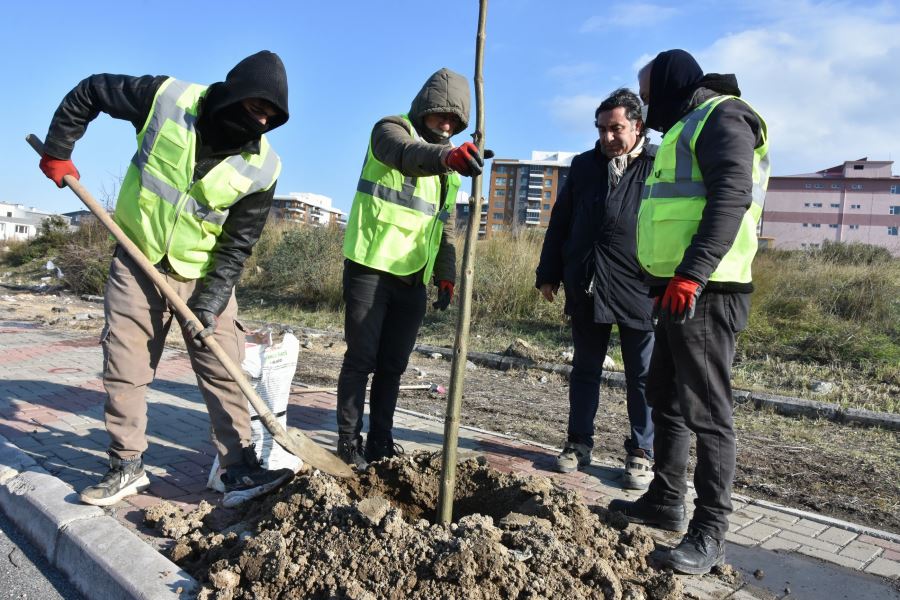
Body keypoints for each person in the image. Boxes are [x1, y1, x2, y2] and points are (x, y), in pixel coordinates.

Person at [38, 51, 295, 508]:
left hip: (202, 273)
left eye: (270, 118)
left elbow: (237, 244)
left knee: (224, 369)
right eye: (257, 108)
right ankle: (126, 465)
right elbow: (93, 89)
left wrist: (211, 303)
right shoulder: (166, 98)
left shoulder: (263, 166)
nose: (261, 121)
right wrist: (60, 149)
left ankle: (237, 469)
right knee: (126, 365)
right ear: (233, 95)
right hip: (137, 259)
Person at [608, 49, 770, 575]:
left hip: (707, 289)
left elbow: (731, 196)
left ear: (675, 82)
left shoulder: (724, 116)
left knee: (707, 411)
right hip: (676, 289)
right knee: (665, 396)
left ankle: (710, 532)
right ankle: (665, 499)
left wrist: (692, 273)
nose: (648, 105)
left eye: (650, 94)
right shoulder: (686, 125)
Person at [336, 67, 484, 469]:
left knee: (393, 366)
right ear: (423, 107)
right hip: (371, 266)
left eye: (455, 120)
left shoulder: (451, 169)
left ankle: (381, 440)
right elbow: (403, 154)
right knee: (362, 359)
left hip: (413, 277)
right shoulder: (389, 129)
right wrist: (447, 156)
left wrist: (446, 273)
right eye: (441, 114)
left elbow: (445, 226)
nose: (447, 123)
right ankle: (348, 441)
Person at [535, 88, 656, 489]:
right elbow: (561, 221)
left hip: (640, 285)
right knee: (585, 369)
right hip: (587, 282)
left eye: (615, 129)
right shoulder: (584, 166)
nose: (607, 138)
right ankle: (578, 443)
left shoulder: (658, 166)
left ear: (637, 127)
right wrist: (548, 272)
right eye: (601, 129)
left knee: (642, 375)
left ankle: (641, 452)